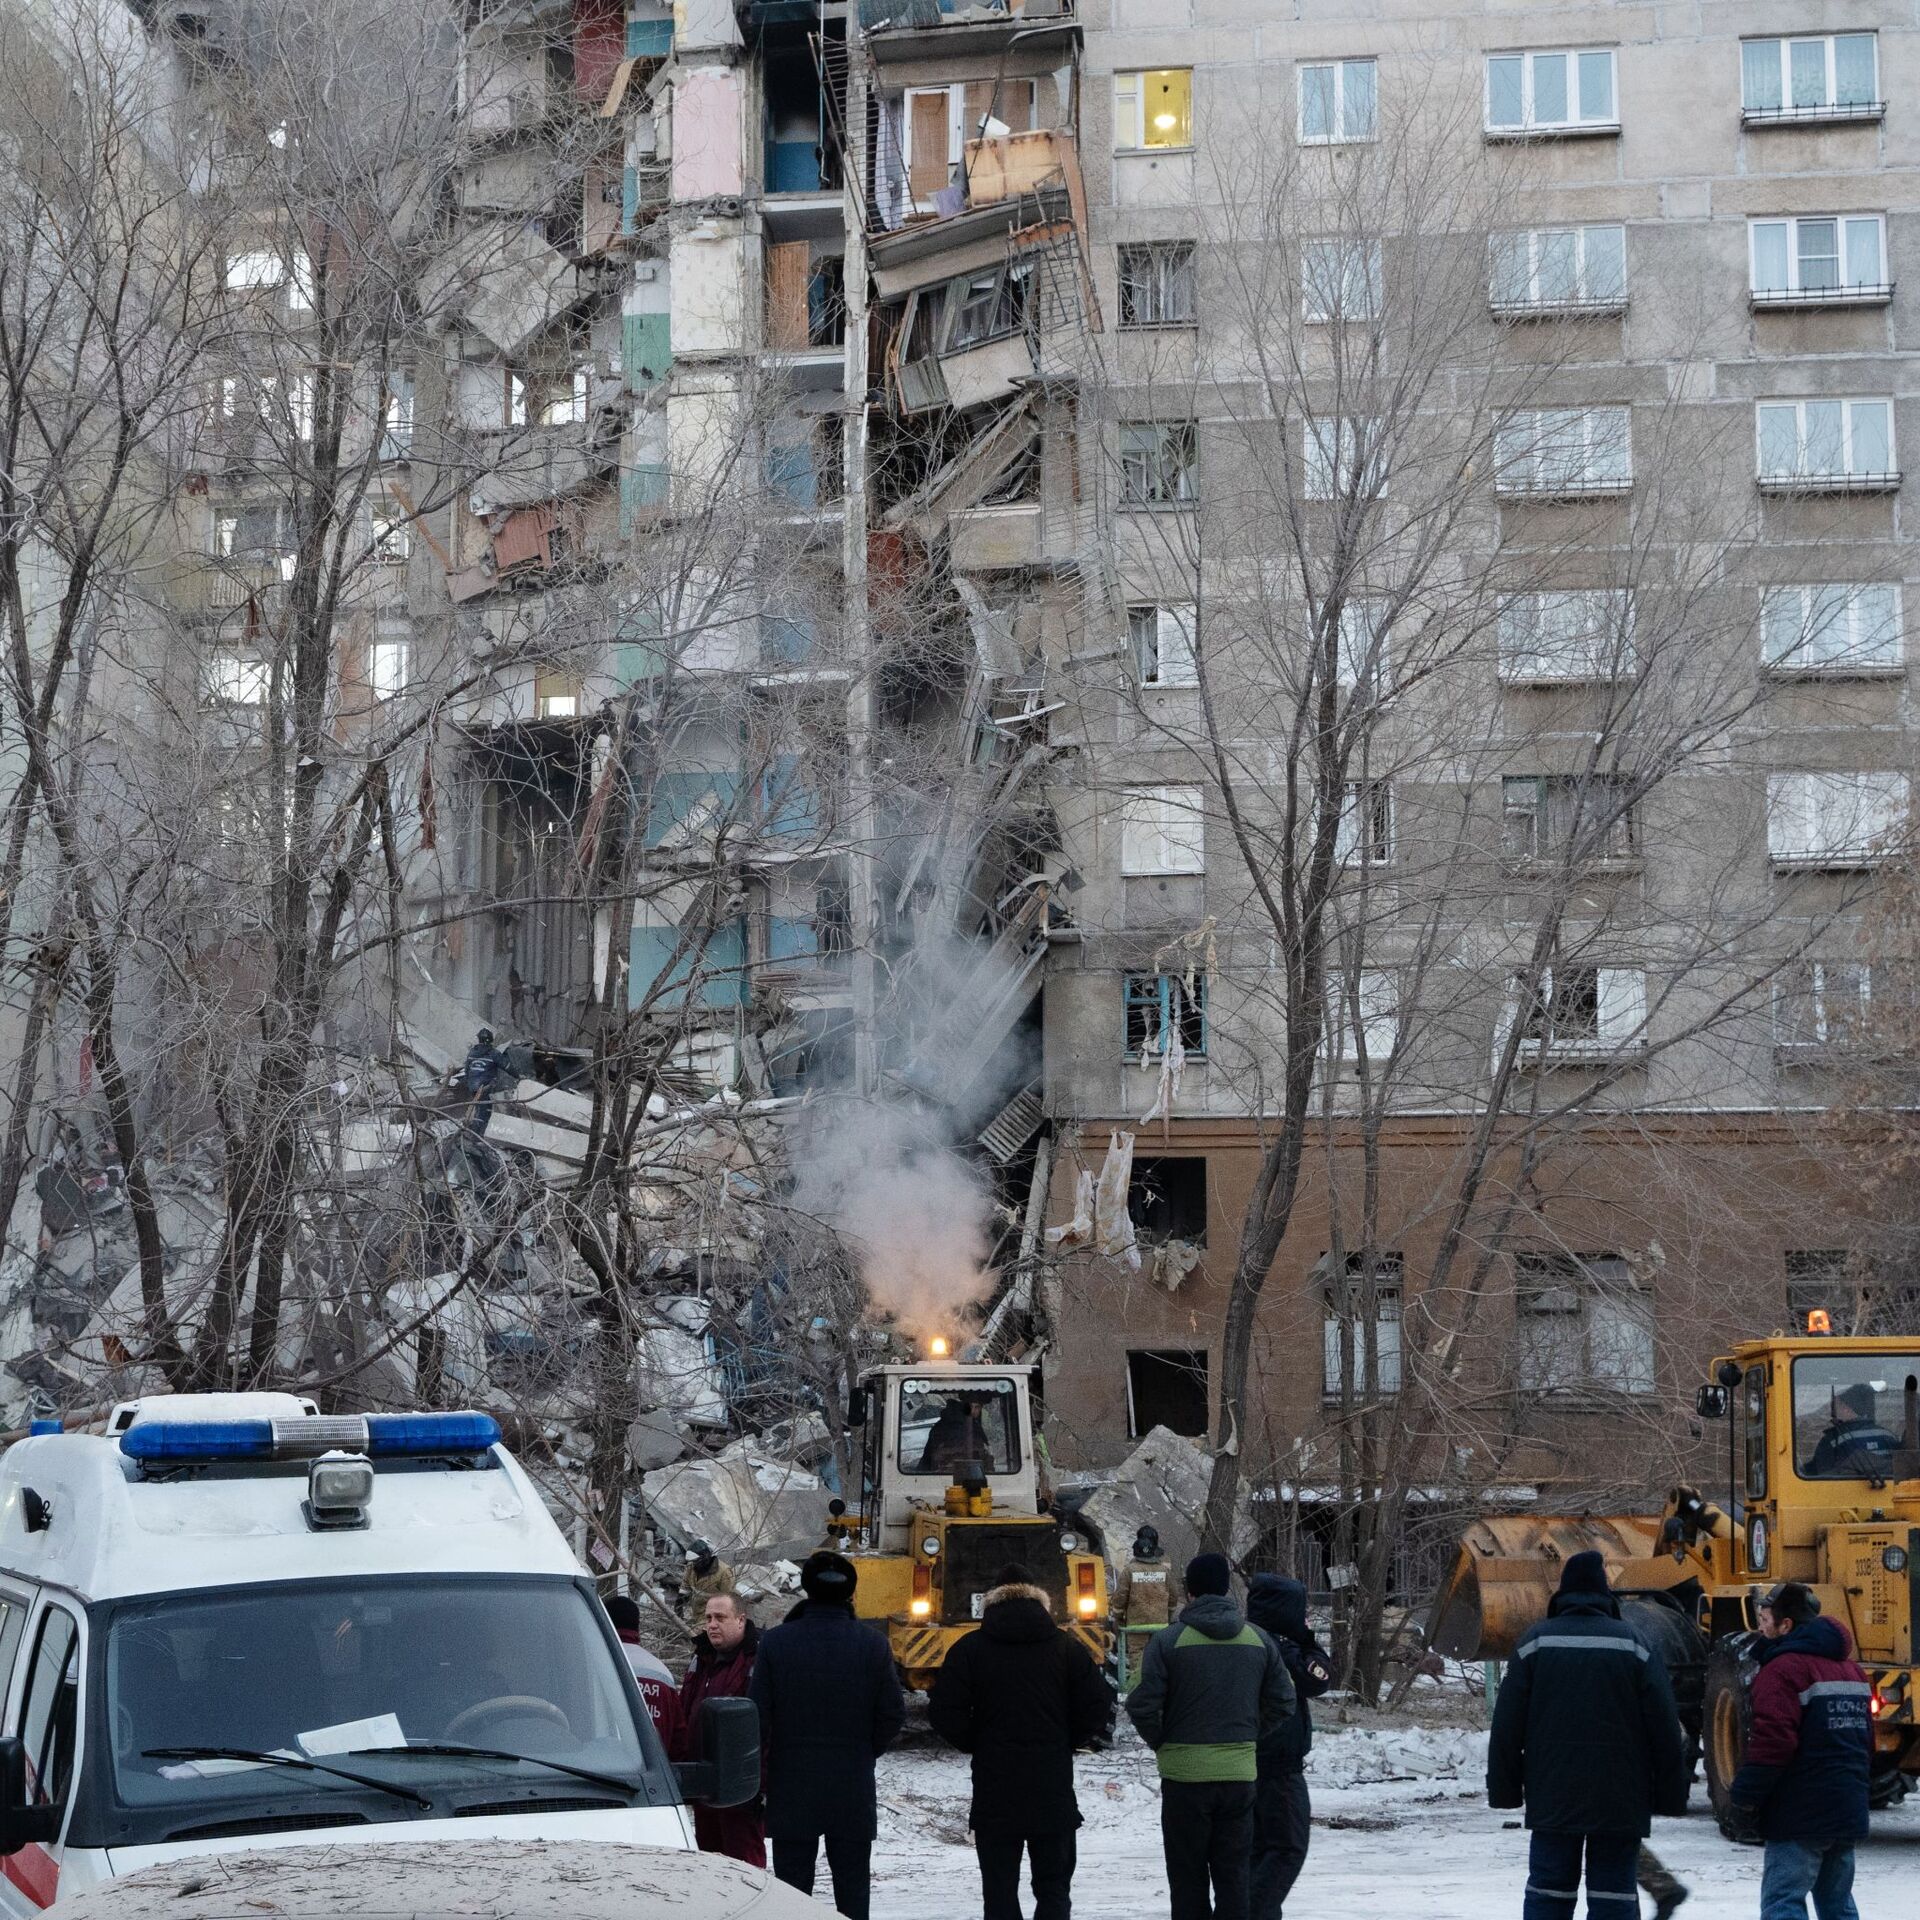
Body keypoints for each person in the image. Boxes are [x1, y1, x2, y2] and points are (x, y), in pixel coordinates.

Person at [1486, 1550, 1689, 1920]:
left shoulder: (1535, 1643)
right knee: (1614, 1896)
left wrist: (1505, 1791)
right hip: (1620, 1799)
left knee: (1549, 1893)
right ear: (1605, 1593)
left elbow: (1506, 1726)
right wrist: (1670, 1796)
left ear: (1561, 1593)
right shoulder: (1635, 1643)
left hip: (1553, 1797)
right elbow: (1664, 1727)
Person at [928, 1561, 1114, 1920]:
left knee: (999, 1894)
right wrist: (1066, 1739)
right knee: (1054, 1889)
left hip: (995, 1791)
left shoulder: (970, 1649)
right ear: (1040, 1602)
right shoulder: (1066, 1648)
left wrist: (975, 1742)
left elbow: (944, 1711)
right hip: (1052, 1789)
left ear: (991, 1602)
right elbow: (1098, 1702)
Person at [1125, 1553, 1294, 1920]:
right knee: (1234, 1876)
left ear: (1188, 1592)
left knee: (1187, 1878)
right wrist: (1249, 1735)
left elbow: (1140, 1703)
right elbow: (1284, 1701)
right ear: (1226, 1590)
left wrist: (1163, 1741)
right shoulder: (1259, 1640)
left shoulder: (1168, 1642)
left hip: (1184, 1779)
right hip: (1238, 1777)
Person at [750, 1549, 904, 1920]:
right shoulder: (872, 1645)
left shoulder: (776, 1643)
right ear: (851, 1594)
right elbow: (892, 1714)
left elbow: (756, 1716)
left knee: (792, 1894)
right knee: (852, 1892)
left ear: (806, 1590)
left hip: (792, 1784)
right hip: (851, 1785)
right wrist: (865, 1751)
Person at [1728, 1581, 1872, 1920]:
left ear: (1786, 1625)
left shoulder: (1783, 1670)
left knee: (1783, 1903)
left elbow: (1773, 1740)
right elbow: (1865, 1741)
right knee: (1838, 1906)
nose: (1760, 1628)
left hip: (1799, 1813)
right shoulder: (1851, 1669)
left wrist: (1745, 1795)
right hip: (1845, 1808)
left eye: (1764, 1619)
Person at [1244, 1574, 1332, 1919]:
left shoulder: (1249, 1640)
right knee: (1287, 1847)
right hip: (1277, 1766)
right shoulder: (1280, 1648)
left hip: (1252, 1763)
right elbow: (1318, 1679)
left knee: (1258, 1851)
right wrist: (1305, 1638)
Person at [679, 1592, 765, 1867]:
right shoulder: (702, 1658)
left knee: (744, 1866)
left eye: (720, 1618)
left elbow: (768, 1725)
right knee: (709, 1865)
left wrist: (760, 1783)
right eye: (708, 1618)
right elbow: (685, 1712)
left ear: (741, 1620)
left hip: (741, 1787)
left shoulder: (758, 1661)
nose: (712, 1625)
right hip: (705, 1781)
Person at [603, 1593, 686, 1760]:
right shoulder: (661, 1673)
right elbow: (679, 1742)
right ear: (637, 1626)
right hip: (654, 1777)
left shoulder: (595, 1664)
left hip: (598, 1772)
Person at [1806, 1382, 1902, 1477]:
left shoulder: (1832, 1440)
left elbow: (1820, 1476)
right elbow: (1900, 1468)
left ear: (1846, 1409)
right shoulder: (1888, 1436)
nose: (1831, 1411)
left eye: (1835, 1405)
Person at [919, 1395, 993, 1475]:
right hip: (944, 1475)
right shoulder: (953, 1426)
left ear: (981, 1408)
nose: (973, 1410)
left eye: (977, 1407)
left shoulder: (973, 1425)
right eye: (970, 1406)